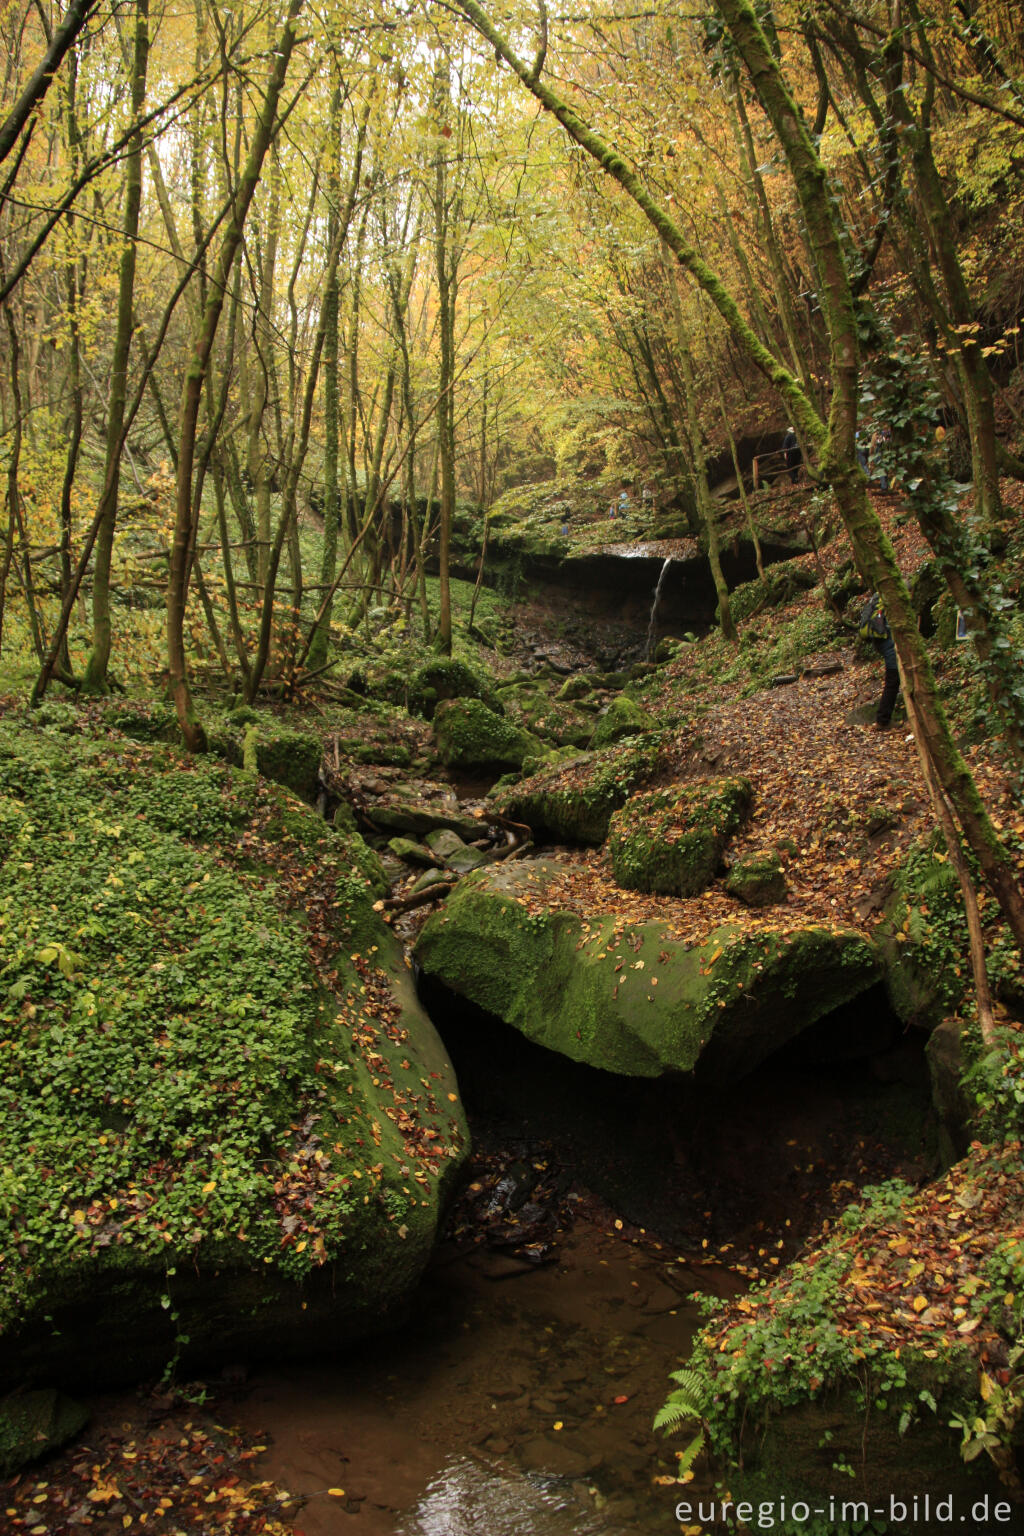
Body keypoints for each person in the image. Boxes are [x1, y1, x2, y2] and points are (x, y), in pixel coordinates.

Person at [858, 593, 900, 729]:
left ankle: (883, 719)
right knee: (893, 681)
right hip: (889, 645)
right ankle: (883, 720)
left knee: (893, 680)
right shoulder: (894, 602)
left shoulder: (880, 600)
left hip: (880, 643)